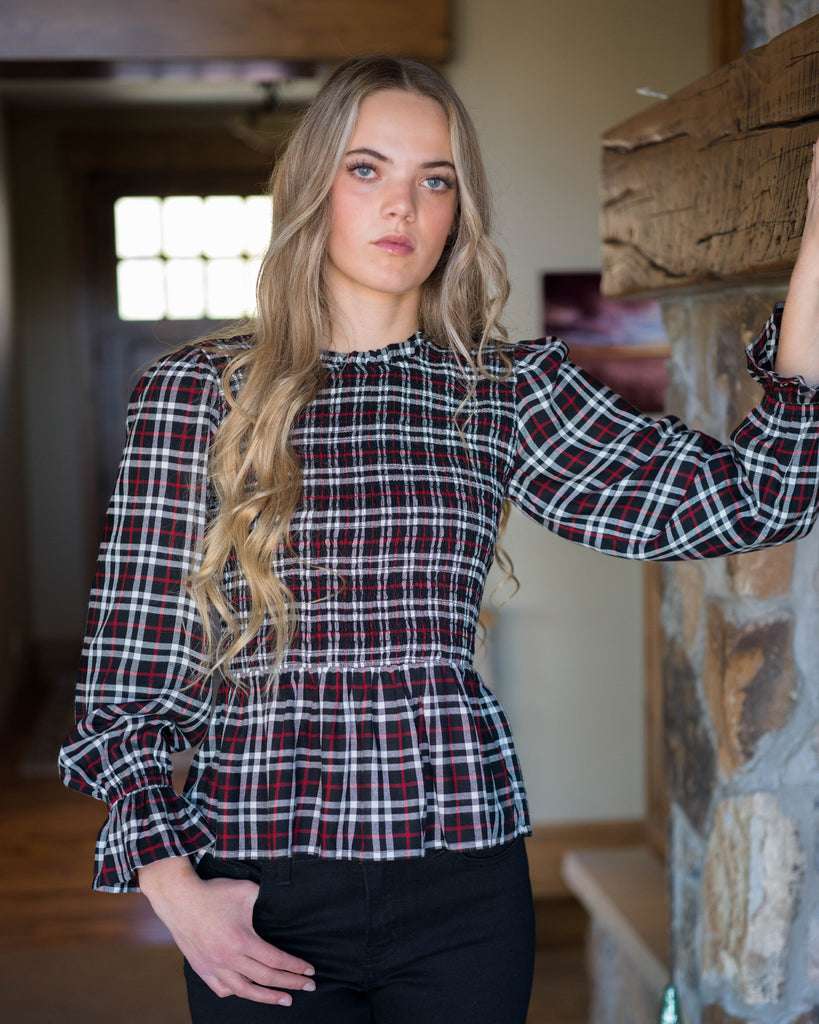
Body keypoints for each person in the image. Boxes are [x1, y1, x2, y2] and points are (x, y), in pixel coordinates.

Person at [59, 54, 819, 1024]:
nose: (403, 208)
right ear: (312, 187)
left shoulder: (506, 390)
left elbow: (753, 499)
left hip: (463, 880)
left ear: (460, 207)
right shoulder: (195, 396)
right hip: (259, 886)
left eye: (437, 179)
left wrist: (816, 245)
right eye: (367, 169)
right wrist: (175, 890)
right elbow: (127, 690)